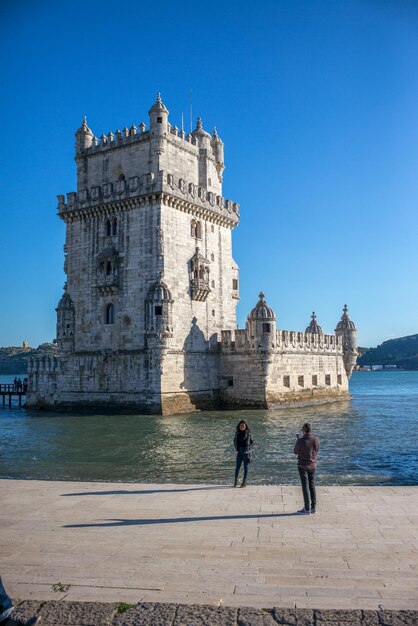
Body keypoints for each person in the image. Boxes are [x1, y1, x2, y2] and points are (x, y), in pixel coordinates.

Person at [294, 422, 320, 515]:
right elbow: (316, 450)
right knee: (312, 486)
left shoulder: (300, 440)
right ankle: (313, 508)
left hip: (302, 466)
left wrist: (297, 441)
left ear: (304, 430)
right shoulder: (316, 439)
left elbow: (295, 452)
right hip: (312, 465)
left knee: (305, 486)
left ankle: (306, 508)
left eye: (302, 430)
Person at [233, 420, 254, 488]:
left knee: (245, 467)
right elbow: (234, 441)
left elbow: (252, 443)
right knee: (237, 467)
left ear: (245, 426)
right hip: (239, 451)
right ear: (239, 426)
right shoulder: (237, 433)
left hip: (246, 452)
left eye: (243, 426)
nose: (242, 427)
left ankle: (244, 482)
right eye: (241, 425)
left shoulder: (249, 433)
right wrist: (236, 448)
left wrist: (248, 449)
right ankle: (236, 481)